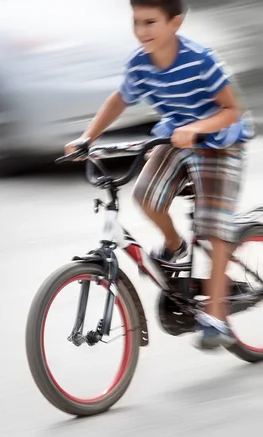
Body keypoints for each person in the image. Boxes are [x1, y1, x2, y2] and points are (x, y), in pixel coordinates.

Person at [64, 0, 255, 350]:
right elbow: (120, 100)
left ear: (175, 23)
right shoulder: (139, 63)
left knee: (213, 226)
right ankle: (174, 245)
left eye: (151, 22)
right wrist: (87, 138)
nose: (142, 31)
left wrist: (198, 128)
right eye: (137, 22)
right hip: (176, 136)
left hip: (220, 142)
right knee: (146, 197)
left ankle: (215, 316)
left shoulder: (201, 59)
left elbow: (232, 110)